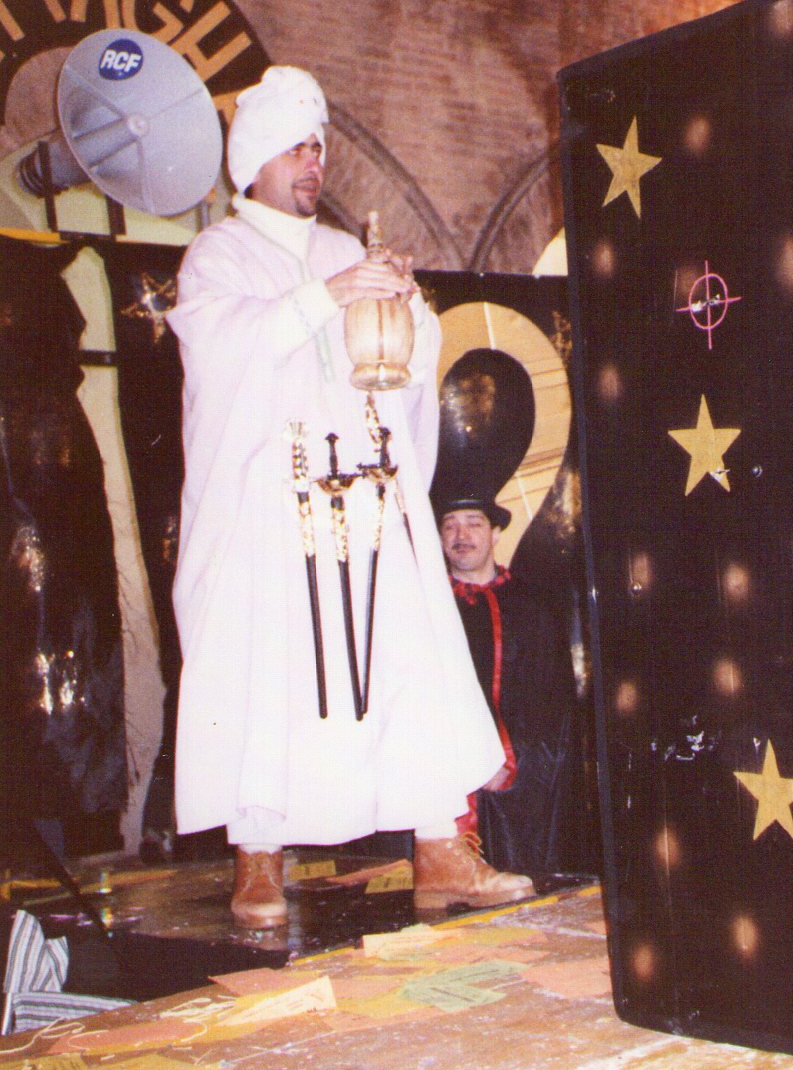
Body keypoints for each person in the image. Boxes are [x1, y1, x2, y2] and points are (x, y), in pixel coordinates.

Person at [168, 65, 534, 925]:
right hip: (270, 515)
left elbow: (401, 366)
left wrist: (408, 307)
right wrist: (326, 297)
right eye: (296, 146)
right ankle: (260, 855)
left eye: (319, 146)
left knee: (411, 651)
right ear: (253, 158)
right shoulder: (218, 255)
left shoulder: (344, 249)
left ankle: (440, 847)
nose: (314, 161)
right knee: (268, 672)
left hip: (365, 502)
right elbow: (221, 355)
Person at [437, 491, 587, 878]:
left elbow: (551, 700)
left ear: (495, 533)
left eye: (473, 524)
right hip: (449, 776)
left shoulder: (531, 604)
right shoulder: (428, 608)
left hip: (527, 782)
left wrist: (514, 758)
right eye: (450, 526)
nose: (461, 535)